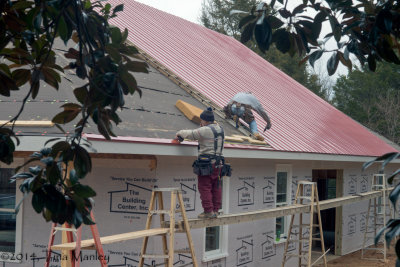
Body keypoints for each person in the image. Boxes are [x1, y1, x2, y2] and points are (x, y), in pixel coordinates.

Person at [175, 107, 227, 219]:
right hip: (219, 164)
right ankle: (216, 210)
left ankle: (208, 211)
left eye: (202, 120)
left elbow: (191, 134)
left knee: (204, 187)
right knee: (216, 186)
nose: (201, 122)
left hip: (207, 165)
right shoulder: (220, 129)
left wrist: (179, 133)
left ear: (205, 120)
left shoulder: (205, 130)